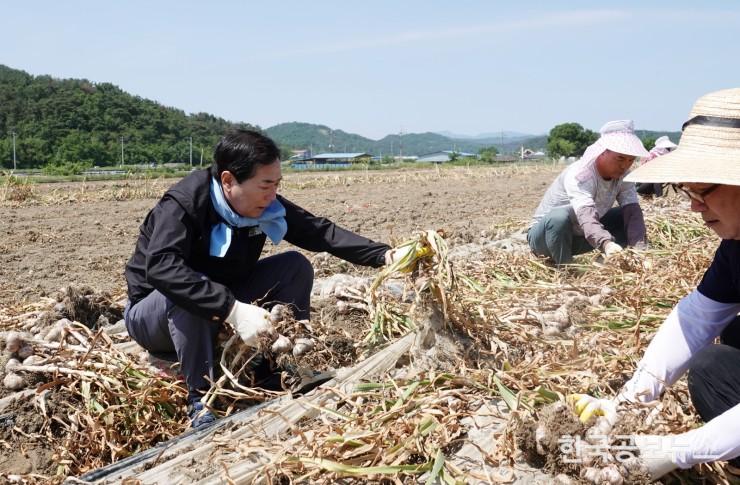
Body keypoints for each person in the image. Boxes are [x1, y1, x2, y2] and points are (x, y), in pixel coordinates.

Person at [124, 129, 391, 428]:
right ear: (228, 180)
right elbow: (161, 267)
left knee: (294, 266)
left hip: (221, 300)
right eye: (265, 184)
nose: (273, 194)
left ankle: (280, 368)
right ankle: (200, 398)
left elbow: (319, 232)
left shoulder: (263, 205)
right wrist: (232, 310)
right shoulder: (185, 203)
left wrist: (384, 256)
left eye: (277, 184)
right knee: (188, 285)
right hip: (154, 315)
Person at [570, 87, 740, 480]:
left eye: (703, 189)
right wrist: (630, 400)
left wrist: (681, 449)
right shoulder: (736, 245)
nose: (694, 205)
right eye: (688, 190)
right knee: (718, 359)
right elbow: (698, 317)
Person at [527, 120, 649, 265]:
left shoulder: (624, 177)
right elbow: (586, 215)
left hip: (580, 237)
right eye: (620, 158)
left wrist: (639, 250)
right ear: (602, 153)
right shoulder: (581, 174)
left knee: (626, 215)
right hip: (546, 240)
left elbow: (632, 212)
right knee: (559, 217)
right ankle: (566, 269)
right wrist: (606, 243)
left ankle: (614, 260)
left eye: (630, 160)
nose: (624, 165)